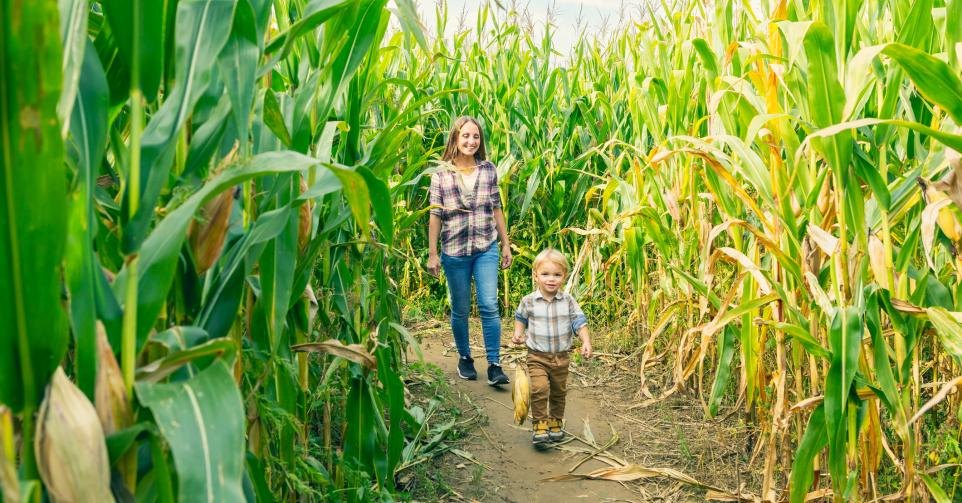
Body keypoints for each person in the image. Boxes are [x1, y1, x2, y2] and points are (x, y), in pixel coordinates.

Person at [427, 116, 513, 386]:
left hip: (485, 247)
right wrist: (432, 253)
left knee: (489, 305)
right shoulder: (441, 174)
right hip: (454, 251)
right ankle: (465, 357)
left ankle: (494, 363)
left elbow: (496, 208)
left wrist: (505, 243)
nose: (470, 141)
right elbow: (435, 215)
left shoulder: (488, 170)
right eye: (465, 136)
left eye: (475, 137)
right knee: (461, 308)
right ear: (455, 138)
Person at [511, 249, 592, 447]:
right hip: (537, 356)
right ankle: (540, 424)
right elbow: (521, 318)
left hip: (561, 357)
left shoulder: (568, 301)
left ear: (564, 276)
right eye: (545, 274)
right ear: (536, 275)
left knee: (558, 391)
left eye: (557, 275)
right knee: (539, 389)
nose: (551, 279)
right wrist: (518, 334)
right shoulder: (528, 301)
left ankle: (555, 422)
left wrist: (586, 341)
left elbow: (579, 322)